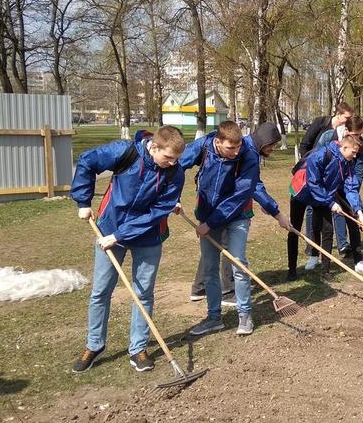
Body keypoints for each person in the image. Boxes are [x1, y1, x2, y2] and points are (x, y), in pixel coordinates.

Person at [71, 126, 186, 373]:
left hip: (148, 236)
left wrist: (119, 236)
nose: (172, 163)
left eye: (176, 159)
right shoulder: (125, 152)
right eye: (168, 157)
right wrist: (83, 201)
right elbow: (87, 161)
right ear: (154, 147)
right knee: (101, 291)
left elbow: (158, 210)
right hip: (109, 226)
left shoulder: (175, 172)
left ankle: (138, 348)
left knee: (143, 293)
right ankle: (94, 345)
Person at [182, 121, 291, 337]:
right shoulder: (203, 147)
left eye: (238, 147)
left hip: (237, 216)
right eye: (230, 148)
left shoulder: (248, 156)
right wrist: (171, 197)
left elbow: (243, 194)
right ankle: (214, 318)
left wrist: (275, 211)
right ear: (217, 142)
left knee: (238, 263)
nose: (236, 152)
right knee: (210, 269)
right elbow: (175, 166)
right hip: (207, 214)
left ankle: (245, 315)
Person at [287, 134, 363, 280]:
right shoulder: (320, 155)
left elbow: (351, 187)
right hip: (302, 192)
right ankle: (292, 270)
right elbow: (313, 183)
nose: (355, 156)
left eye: (357, 153)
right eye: (354, 152)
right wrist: (331, 203)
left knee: (327, 230)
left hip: (323, 196)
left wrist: (359, 212)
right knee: (294, 229)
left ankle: (325, 271)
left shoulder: (348, 162)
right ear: (344, 147)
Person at [314, 116, 363, 272]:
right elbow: (318, 167)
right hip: (324, 189)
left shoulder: (360, 148)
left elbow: (355, 176)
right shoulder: (328, 140)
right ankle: (318, 260)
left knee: (352, 220)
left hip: (346, 186)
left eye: (360, 135)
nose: (357, 138)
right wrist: (329, 197)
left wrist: (357, 209)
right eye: (354, 134)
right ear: (346, 131)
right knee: (324, 226)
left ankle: (359, 262)